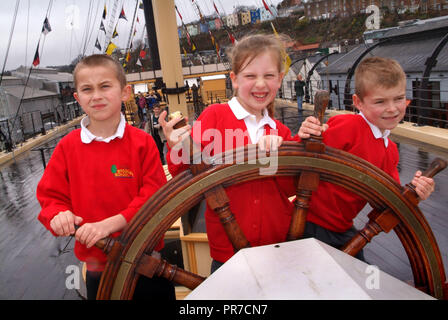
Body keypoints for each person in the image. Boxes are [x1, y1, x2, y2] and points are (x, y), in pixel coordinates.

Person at [36, 54, 175, 300]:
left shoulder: (142, 142)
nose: (96, 95)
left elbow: (154, 194)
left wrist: (109, 225)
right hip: (98, 269)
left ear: (125, 92)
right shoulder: (67, 148)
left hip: (147, 262)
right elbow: (50, 197)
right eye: (87, 89)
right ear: (78, 98)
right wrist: (59, 215)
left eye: (105, 86)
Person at [160, 34, 297, 273]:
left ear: (280, 79)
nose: (261, 84)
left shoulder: (281, 131)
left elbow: (290, 189)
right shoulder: (214, 116)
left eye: (269, 76)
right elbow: (183, 170)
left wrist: (282, 152)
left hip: (279, 246)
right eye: (250, 76)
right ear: (234, 79)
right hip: (228, 252)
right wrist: (177, 145)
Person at [297, 56, 435, 260]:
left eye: (398, 98)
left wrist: (415, 192)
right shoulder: (347, 126)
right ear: (358, 102)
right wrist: (306, 133)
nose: (392, 108)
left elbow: (387, 200)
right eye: (380, 101)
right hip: (309, 225)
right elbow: (298, 157)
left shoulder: (390, 151)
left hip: (341, 228)